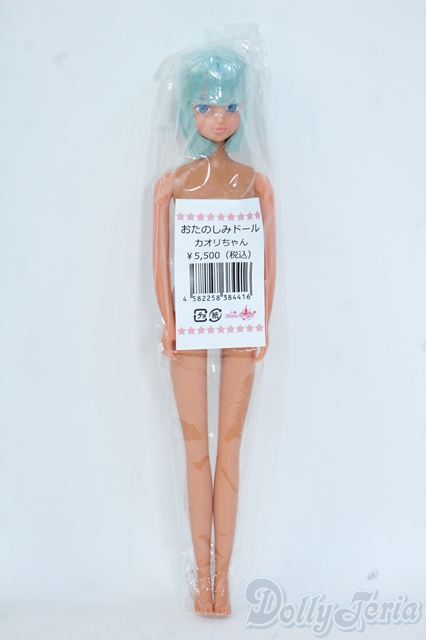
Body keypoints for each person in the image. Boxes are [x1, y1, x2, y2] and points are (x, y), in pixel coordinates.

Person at [152, 45, 276, 616]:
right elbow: (160, 262)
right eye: (205, 106)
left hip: (241, 326)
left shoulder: (256, 184)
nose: (219, 118)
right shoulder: (172, 185)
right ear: (188, 111)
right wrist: (170, 319)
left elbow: (268, 263)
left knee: (229, 449)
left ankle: (221, 580)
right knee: (196, 451)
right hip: (187, 328)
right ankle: (201, 580)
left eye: (230, 105)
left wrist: (261, 322)